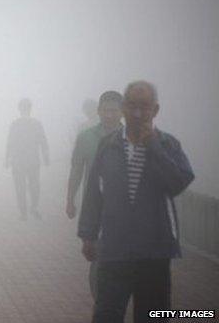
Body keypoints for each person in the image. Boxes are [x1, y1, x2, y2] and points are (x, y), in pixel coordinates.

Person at [78, 81, 194, 323]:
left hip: (154, 252)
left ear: (156, 110)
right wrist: (88, 234)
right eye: (132, 106)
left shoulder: (167, 144)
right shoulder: (108, 145)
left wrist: (153, 147)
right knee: (106, 314)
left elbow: (178, 182)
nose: (138, 113)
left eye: (145, 107)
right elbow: (94, 193)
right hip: (113, 250)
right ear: (123, 108)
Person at [66, 91, 123, 300]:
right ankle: (102, 303)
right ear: (99, 111)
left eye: (114, 111)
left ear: (122, 112)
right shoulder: (86, 137)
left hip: (126, 212)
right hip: (96, 208)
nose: (109, 115)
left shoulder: (132, 139)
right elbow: (76, 170)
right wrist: (70, 199)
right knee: (98, 260)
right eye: (106, 110)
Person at [5, 98, 49, 220]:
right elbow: (43, 142)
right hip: (31, 161)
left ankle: (24, 211)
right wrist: (46, 157)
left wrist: (7, 158)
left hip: (19, 161)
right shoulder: (36, 124)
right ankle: (32, 208)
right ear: (29, 109)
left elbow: (10, 142)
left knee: (21, 187)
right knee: (33, 186)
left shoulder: (16, 124)